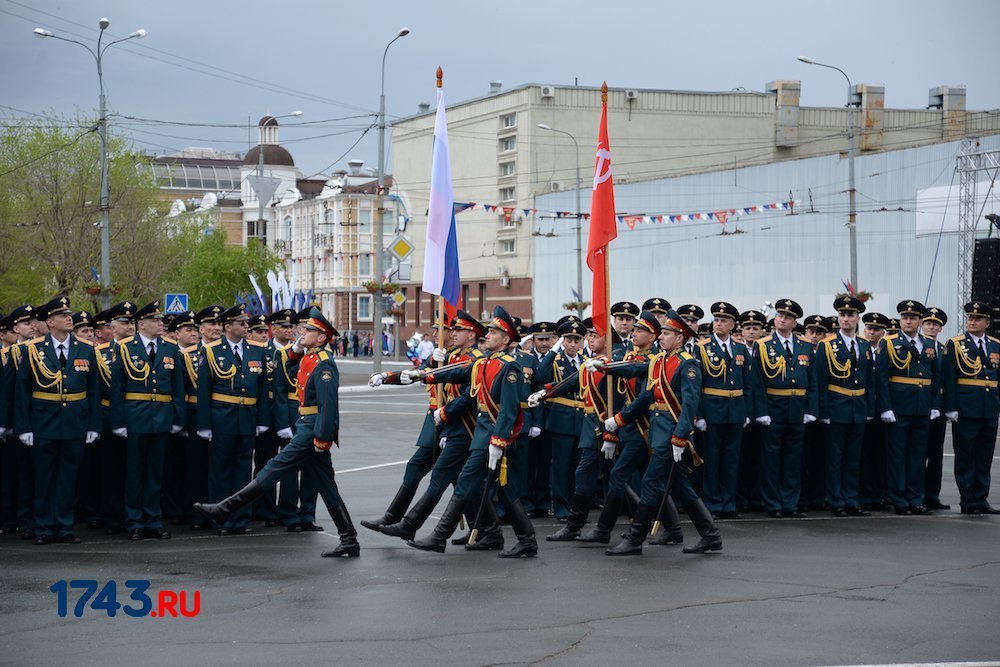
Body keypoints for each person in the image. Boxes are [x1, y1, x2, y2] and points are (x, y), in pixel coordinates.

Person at [195, 307, 361, 557]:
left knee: (274, 467)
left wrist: (323, 438)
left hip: (312, 429)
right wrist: (296, 348)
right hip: (307, 425)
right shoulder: (310, 357)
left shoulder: (324, 364)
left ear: (321, 337)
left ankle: (226, 508)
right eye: (303, 329)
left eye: (309, 330)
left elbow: (328, 407)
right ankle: (349, 537)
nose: (302, 332)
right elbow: (287, 364)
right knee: (327, 485)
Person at [406, 306, 537, 558]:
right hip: (483, 435)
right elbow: (455, 372)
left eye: (493, 332)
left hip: (492, 437)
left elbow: (509, 410)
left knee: (466, 481)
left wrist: (499, 441)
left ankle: (439, 536)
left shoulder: (509, 367)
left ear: (506, 340)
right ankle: (527, 540)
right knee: (505, 488)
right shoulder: (483, 363)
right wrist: (422, 375)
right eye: (488, 331)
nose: (487, 335)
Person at [603, 309, 722, 556]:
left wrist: (680, 437)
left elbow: (690, 404)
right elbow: (647, 396)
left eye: (666, 333)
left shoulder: (688, 364)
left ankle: (636, 538)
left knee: (650, 481)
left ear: (680, 337)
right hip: (658, 429)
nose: (661, 337)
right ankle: (711, 536)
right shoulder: (659, 361)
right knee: (679, 485)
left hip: (672, 431)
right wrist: (620, 419)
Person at [374, 311, 486, 544]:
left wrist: (445, 415)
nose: (450, 333)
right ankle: (484, 530)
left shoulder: (474, 359)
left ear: (472, 335)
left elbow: (468, 396)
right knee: (462, 480)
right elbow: (421, 374)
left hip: (464, 426)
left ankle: (411, 525)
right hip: (447, 426)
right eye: (451, 330)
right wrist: (387, 376)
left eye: (456, 330)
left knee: (450, 477)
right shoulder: (452, 355)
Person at [13, 296, 100, 545]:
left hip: (75, 421)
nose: (68, 318)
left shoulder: (86, 348)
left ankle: (64, 527)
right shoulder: (33, 349)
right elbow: (22, 391)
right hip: (44, 422)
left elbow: (93, 391)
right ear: (50, 322)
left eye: (69, 314)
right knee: (43, 478)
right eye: (62, 316)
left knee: (68, 478)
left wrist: (93, 425)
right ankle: (43, 527)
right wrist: (24, 427)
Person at [111, 301, 186, 540]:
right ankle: (134, 521)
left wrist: (177, 417)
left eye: (161, 320)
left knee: (156, 472)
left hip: (162, 416)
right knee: (134, 472)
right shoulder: (124, 348)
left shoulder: (171, 348)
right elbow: (117, 389)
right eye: (155, 320)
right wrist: (118, 421)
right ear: (141, 323)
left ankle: (153, 520)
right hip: (135, 417)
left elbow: (178, 387)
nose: (160, 324)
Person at [196, 304, 271, 535]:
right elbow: (203, 392)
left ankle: (241, 518)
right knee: (220, 470)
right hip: (222, 418)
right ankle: (221, 519)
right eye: (241, 323)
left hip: (247, 417)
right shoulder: (211, 351)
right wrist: (204, 425)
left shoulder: (257, 351)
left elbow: (262, 390)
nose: (246, 326)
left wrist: (262, 419)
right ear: (228, 327)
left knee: (243, 470)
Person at [753, 299, 817, 518]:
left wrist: (811, 409)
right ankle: (773, 504)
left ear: (794, 322)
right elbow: (757, 382)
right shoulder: (763, 345)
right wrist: (761, 412)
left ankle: (790, 503)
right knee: (771, 459)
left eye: (787, 317)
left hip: (797, 407)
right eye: (779, 315)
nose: (782, 319)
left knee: (793, 458)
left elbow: (813, 381)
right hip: (773, 406)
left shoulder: (805, 346)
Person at [875, 300, 939, 515]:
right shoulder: (889, 343)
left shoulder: (929, 344)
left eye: (912, 318)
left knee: (918, 456)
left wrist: (935, 405)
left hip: (922, 407)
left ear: (920, 321)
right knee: (897, 456)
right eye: (905, 317)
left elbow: (935, 377)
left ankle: (916, 498)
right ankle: (899, 500)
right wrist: (885, 408)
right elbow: (882, 378)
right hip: (899, 407)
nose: (908, 321)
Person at [696, 301, 757, 519]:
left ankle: (728, 503)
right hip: (713, 410)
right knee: (712, 460)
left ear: (732, 325)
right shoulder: (702, 348)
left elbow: (748, 384)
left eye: (723, 321)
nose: (718, 324)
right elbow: (698, 386)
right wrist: (700, 415)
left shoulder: (740, 349)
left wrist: (747, 412)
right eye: (716, 320)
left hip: (735, 410)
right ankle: (712, 503)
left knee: (732, 460)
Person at [816, 296, 876, 517]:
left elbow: (870, 380)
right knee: (835, 458)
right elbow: (820, 381)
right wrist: (823, 412)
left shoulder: (863, 344)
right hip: (836, 406)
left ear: (857, 318)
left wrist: (869, 409)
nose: (846, 319)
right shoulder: (827, 345)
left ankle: (851, 499)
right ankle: (836, 500)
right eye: (842, 315)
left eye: (850, 315)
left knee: (853, 458)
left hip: (858, 407)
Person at [941, 301, 1000, 514]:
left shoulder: (995, 345)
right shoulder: (955, 344)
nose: (972, 322)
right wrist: (951, 407)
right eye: (970, 318)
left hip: (989, 408)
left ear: (987, 322)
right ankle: (968, 500)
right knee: (966, 456)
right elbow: (948, 379)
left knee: (984, 457)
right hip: (966, 408)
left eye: (977, 319)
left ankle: (981, 499)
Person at [534, 317, 587, 520]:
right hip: (561, 420)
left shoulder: (584, 361)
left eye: (576, 340)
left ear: (582, 342)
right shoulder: (556, 361)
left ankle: (575, 506)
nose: (573, 344)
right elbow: (540, 376)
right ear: (562, 341)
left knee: (577, 467)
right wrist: (554, 350)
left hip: (580, 420)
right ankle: (560, 506)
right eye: (568, 340)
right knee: (560, 466)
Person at [921, 307, 950, 510]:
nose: (932, 326)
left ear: (940, 328)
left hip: (939, 409)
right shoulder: (918, 346)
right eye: (929, 323)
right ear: (922, 325)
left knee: (936, 454)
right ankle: (918, 494)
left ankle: (933, 495)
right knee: (918, 454)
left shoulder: (944, 350)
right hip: (921, 406)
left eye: (935, 324)